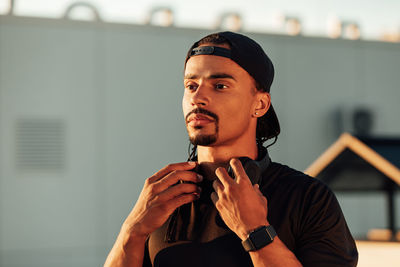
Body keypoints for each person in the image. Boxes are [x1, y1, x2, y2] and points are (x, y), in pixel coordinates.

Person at [104, 31, 358, 267]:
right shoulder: (162, 199)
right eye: (191, 86)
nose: (197, 97)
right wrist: (132, 231)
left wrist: (256, 231)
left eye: (220, 86)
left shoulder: (308, 199)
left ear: (259, 104)